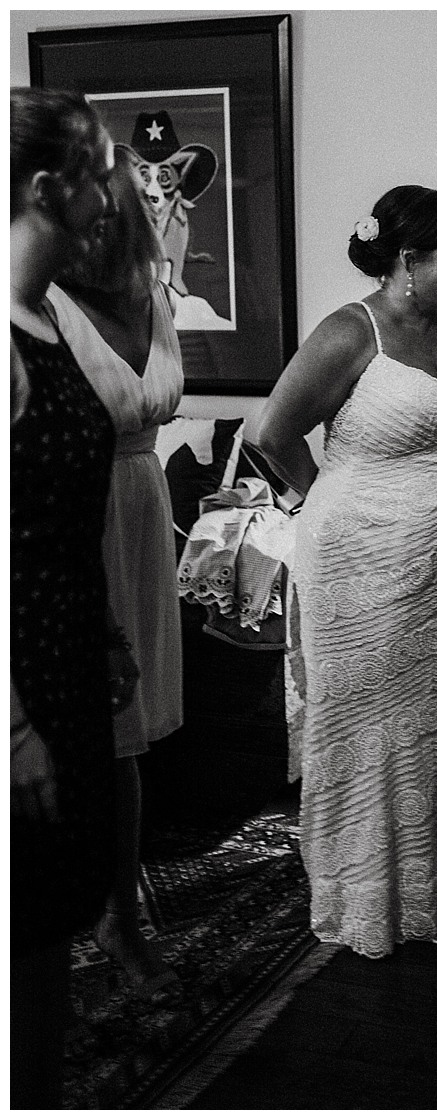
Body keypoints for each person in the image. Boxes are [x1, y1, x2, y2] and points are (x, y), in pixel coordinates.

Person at [247, 185, 437, 958]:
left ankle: (436, 879)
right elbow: (273, 433)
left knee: (427, 716)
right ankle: (363, 894)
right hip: (359, 558)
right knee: (363, 726)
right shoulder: (346, 332)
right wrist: (320, 499)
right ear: (406, 260)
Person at [11, 85, 136, 1107]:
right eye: (99, 173)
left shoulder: (47, 317)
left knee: (47, 919)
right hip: (14, 680)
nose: (113, 196)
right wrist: (13, 730)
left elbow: (50, 517)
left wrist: (97, 626)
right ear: (47, 187)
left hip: (61, 647)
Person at [53, 150, 185, 1001]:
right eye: (99, 202)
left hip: (141, 501)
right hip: (69, 515)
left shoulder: (152, 294)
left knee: (124, 736)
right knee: (78, 729)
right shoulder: (37, 308)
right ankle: (77, 906)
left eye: (133, 202)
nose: (114, 216)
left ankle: (116, 906)